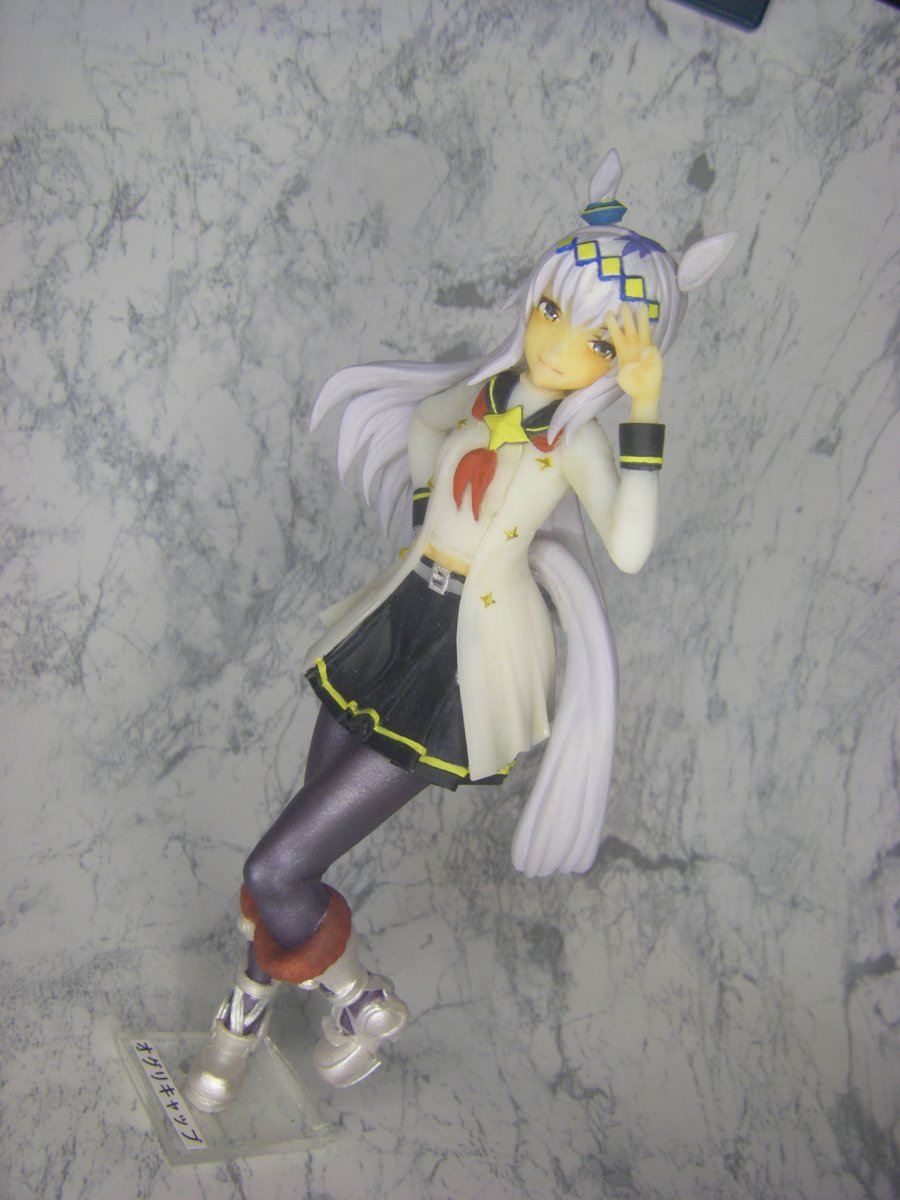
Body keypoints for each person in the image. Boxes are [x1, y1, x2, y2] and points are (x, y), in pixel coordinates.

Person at [186, 150, 735, 1108]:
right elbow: (425, 432)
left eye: (596, 342)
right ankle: (267, 1004)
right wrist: (425, 525)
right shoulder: (488, 394)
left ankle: (354, 1001)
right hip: (398, 618)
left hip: (461, 664)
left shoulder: (578, 442)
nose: (557, 345)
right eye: (551, 310)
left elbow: (630, 547)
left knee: (276, 865)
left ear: (620, 363)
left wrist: (647, 410)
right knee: (292, 850)